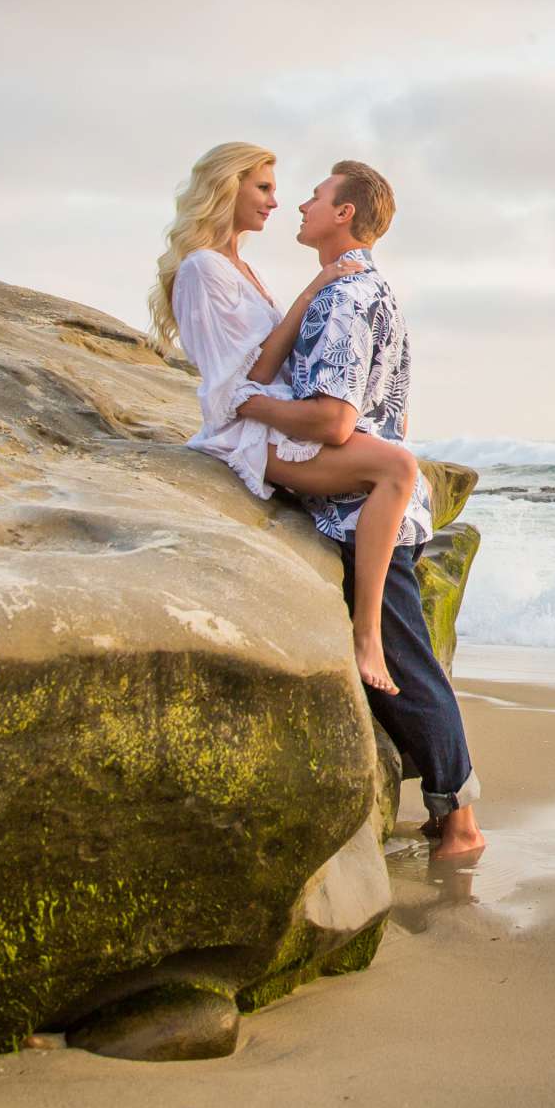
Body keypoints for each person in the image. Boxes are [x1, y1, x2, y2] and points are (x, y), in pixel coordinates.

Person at [238, 161, 485, 861]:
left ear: (344, 213)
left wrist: (250, 407)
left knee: (405, 670)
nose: (300, 205)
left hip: (357, 506)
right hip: (374, 499)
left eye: (316, 196)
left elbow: (333, 420)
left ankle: (461, 822)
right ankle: (450, 812)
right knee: (408, 665)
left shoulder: (345, 299)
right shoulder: (367, 288)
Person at [152, 142, 421, 695]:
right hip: (249, 428)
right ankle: (366, 636)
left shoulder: (239, 267)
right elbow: (241, 378)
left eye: (282, 190)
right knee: (396, 467)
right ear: (229, 187)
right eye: (264, 188)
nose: (279, 202)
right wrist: (315, 289)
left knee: (393, 464)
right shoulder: (204, 268)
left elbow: (268, 363)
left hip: (273, 418)